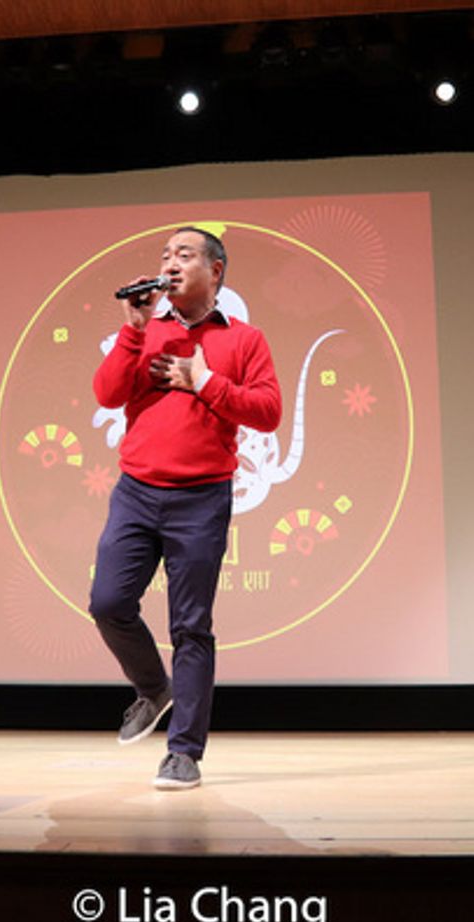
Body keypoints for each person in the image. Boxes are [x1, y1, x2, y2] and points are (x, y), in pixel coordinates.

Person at [89, 227, 281, 790]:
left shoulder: (245, 339)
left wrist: (205, 381)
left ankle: (184, 753)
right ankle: (153, 688)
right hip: (136, 491)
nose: (170, 264)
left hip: (201, 498)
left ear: (215, 271)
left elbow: (267, 411)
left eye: (185, 255)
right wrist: (133, 329)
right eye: (165, 255)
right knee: (108, 601)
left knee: (191, 627)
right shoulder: (146, 331)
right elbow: (106, 394)